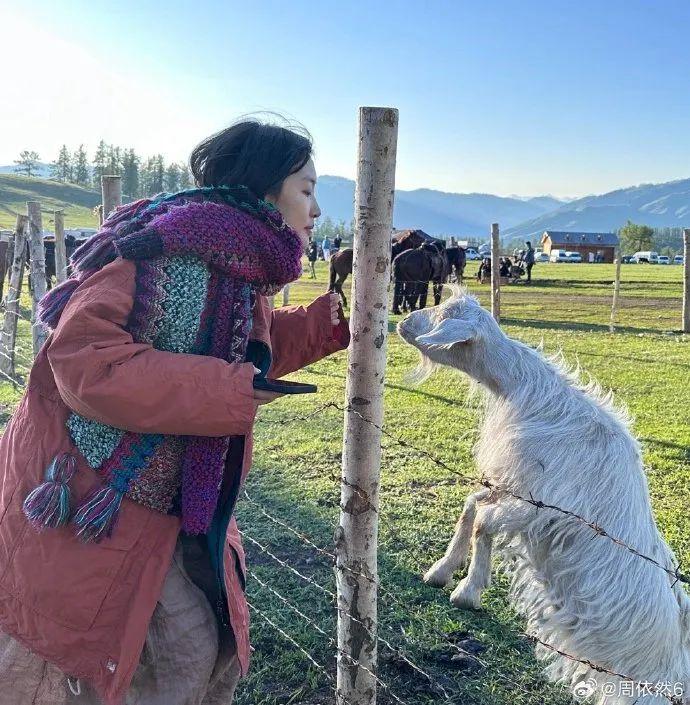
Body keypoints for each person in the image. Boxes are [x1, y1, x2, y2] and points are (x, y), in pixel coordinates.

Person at [0, 118, 350, 705]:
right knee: (120, 659)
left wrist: (334, 322)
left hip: (162, 502)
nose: (315, 209)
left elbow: (243, 347)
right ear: (265, 191)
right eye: (307, 190)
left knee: (185, 653)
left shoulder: (234, 263)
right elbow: (87, 362)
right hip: (94, 495)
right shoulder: (159, 251)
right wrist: (229, 391)